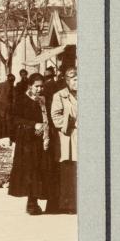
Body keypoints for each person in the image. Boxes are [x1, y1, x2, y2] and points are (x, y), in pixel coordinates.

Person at [7, 73, 56, 215]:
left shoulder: (44, 100)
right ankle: (31, 203)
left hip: (42, 141)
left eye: (42, 86)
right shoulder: (22, 99)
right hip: (27, 142)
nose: (40, 89)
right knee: (31, 171)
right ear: (30, 86)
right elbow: (15, 119)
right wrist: (33, 125)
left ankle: (42, 201)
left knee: (41, 170)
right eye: (37, 86)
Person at [49, 67, 78, 214]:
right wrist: (72, 123)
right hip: (69, 139)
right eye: (74, 79)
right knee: (69, 171)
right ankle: (69, 205)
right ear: (67, 81)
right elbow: (55, 118)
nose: (77, 82)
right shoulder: (59, 96)